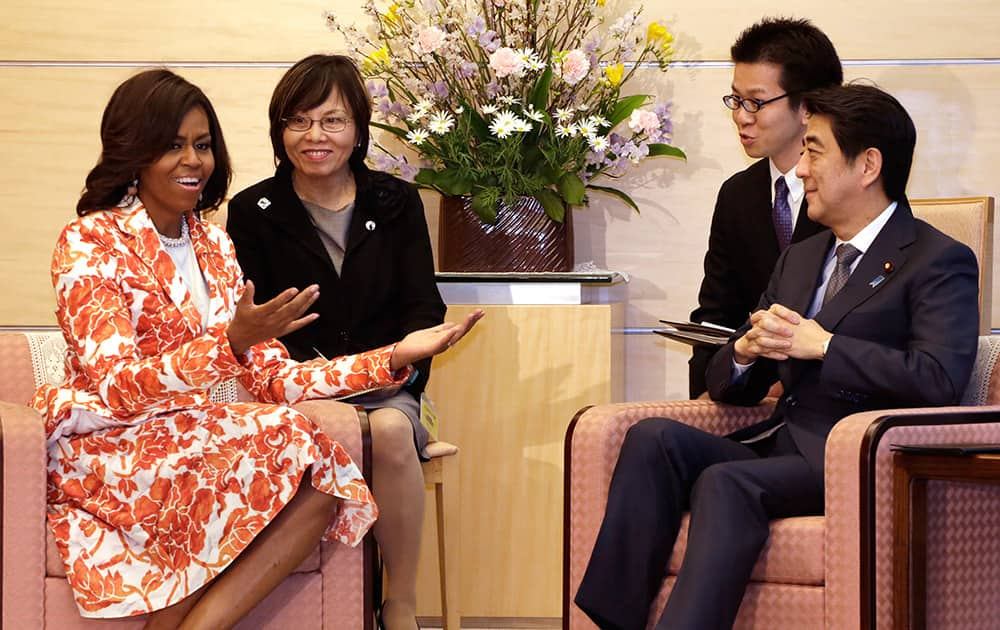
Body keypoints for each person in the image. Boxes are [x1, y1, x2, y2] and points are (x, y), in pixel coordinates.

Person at [32, 68, 482, 630]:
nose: (192, 161)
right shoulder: (90, 241)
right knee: (293, 440)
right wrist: (227, 344)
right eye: (172, 146)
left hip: (189, 433)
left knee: (318, 464)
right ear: (134, 152)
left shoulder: (214, 244)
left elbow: (274, 377)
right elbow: (117, 385)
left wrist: (390, 359)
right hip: (110, 440)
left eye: (202, 145)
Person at [575, 84, 980, 629]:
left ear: (867, 165)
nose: (803, 170)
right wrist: (742, 351)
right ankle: (610, 621)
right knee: (652, 437)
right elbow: (730, 386)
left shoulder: (936, 260)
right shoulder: (803, 257)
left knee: (724, 482)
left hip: (858, 455)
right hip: (782, 441)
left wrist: (826, 346)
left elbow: (938, 380)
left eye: (815, 152)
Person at [226, 54, 445, 630]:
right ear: (279, 131)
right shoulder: (253, 211)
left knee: (392, 428)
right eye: (298, 122)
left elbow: (423, 306)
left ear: (358, 129)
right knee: (343, 429)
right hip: (299, 388)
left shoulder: (397, 203)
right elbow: (249, 325)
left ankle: (399, 603)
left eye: (332, 121)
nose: (315, 136)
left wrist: (400, 369)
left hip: (387, 379)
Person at [688, 17, 842, 398]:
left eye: (755, 102)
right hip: (743, 395)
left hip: (825, 401)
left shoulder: (852, 191)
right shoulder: (738, 195)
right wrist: (704, 398)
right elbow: (715, 317)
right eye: (736, 100)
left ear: (807, 106)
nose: (741, 116)